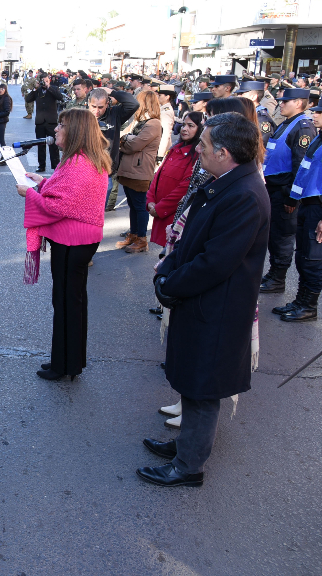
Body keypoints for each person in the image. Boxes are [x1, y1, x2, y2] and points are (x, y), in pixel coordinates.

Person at [140, 112, 269, 488]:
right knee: (191, 379)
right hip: (200, 303)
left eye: (205, 146)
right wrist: (167, 272)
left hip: (217, 308)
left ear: (225, 153)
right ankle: (186, 446)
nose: (198, 150)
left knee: (202, 386)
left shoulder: (244, 193)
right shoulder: (225, 182)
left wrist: (171, 284)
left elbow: (215, 262)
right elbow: (191, 239)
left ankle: (189, 466)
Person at [16, 108, 110, 381]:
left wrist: (30, 193)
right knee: (71, 300)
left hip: (73, 241)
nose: (56, 129)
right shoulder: (81, 159)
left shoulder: (80, 162)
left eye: (62, 125)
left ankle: (64, 365)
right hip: (75, 239)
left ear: (77, 131)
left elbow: (62, 205)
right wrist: (42, 182)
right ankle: (67, 360)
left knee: (68, 302)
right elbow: (67, 192)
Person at [260, 88, 317, 295]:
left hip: (285, 191)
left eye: (286, 101)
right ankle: (274, 274)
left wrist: (292, 197)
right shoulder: (286, 123)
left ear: (300, 103)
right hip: (274, 188)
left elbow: (300, 165)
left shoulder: (302, 127)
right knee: (274, 234)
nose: (280, 104)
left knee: (282, 236)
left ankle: (278, 277)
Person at [274, 102, 322, 321]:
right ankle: (301, 301)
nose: (315, 115)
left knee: (313, 259)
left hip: (318, 208)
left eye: (320, 113)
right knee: (303, 257)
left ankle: (309, 307)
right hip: (308, 203)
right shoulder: (319, 137)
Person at [116, 91, 163, 254]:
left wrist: (124, 139)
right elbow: (127, 140)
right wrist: (126, 139)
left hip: (140, 171)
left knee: (139, 206)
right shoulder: (140, 122)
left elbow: (134, 144)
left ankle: (142, 239)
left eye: (138, 102)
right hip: (130, 169)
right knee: (132, 205)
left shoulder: (153, 123)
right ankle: (134, 235)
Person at [147, 113, 203, 249]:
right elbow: (158, 176)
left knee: (172, 252)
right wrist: (150, 201)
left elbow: (185, 188)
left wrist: (160, 208)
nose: (184, 129)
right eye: (184, 125)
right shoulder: (175, 149)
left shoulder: (197, 155)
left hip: (175, 213)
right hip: (159, 208)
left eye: (191, 126)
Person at [24, 73, 65, 172]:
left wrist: (49, 87)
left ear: (49, 80)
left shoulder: (54, 89)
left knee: (53, 145)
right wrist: (35, 88)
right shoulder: (37, 91)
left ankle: (55, 166)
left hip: (51, 122)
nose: (44, 82)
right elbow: (28, 99)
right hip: (40, 122)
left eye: (46, 80)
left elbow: (59, 97)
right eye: (43, 81)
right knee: (40, 144)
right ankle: (41, 165)